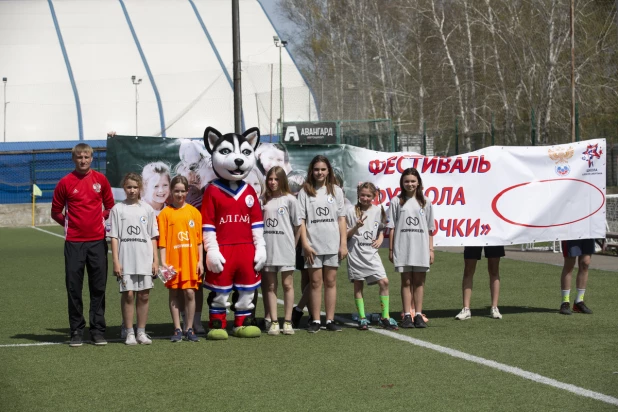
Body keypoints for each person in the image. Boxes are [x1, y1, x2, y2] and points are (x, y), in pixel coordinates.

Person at [51, 143, 115, 347]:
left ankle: (97, 331)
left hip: (97, 242)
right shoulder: (65, 182)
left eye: (86, 157)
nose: (83, 160)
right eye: (79, 157)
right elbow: (56, 212)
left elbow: (110, 206)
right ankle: (76, 330)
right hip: (74, 244)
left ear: (92, 158)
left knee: (98, 287)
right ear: (73, 159)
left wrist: (99, 219)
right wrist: (71, 226)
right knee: (73, 288)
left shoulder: (100, 180)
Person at [298, 155, 347, 333]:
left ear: (328, 171)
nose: (320, 172)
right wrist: (305, 244)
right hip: (312, 246)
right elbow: (301, 220)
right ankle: (316, 320)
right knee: (315, 282)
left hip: (333, 245)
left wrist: (343, 244)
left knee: (331, 281)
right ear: (312, 171)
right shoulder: (305, 191)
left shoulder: (336, 191)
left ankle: (330, 320)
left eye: (323, 169)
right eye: (317, 169)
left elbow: (341, 219)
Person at [109, 173, 159, 345]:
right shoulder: (118, 209)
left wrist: (155, 260)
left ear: (140, 189)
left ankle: (141, 332)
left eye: (135, 187)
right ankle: (129, 331)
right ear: (124, 188)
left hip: (144, 259)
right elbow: (114, 237)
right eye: (129, 187)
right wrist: (116, 261)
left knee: (144, 295)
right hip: (126, 260)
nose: (132, 190)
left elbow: (153, 236)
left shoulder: (147, 209)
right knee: (128, 294)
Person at [157, 175, 204, 342]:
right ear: (171, 191)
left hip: (191, 261)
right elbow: (162, 242)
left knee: (190, 293)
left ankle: (189, 328)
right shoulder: (164, 214)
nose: (179, 194)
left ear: (187, 191)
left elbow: (199, 241)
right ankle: (177, 328)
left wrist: (200, 262)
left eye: (182, 191)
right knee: (174, 293)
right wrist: (163, 264)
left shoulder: (194, 213)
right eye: (176, 191)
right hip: (172, 261)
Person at [346, 182, 398, 331]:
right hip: (355, 252)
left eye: (369, 195)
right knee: (358, 284)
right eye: (362, 195)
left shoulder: (378, 210)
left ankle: (385, 317)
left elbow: (381, 228)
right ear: (358, 195)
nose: (365, 198)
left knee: (384, 282)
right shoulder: (350, 211)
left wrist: (381, 237)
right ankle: (362, 318)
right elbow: (346, 235)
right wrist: (356, 226)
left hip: (371, 253)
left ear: (374, 196)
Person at [388, 168, 434, 329]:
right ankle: (407, 314)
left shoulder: (426, 202)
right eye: (406, 181)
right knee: (406, 281)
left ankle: (419, 314)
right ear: (402, 183)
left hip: (421, 247)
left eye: (413, 181)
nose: (410, 184)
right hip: (403, 247)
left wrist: (431, 249)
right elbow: (391, 227)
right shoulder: (396, 201)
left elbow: (430, 229)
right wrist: (391, 249)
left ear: (418, 182)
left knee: (419, 282)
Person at [261, 166, 300, 335]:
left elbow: (298, 226)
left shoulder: (290, 199)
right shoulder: (264, 200)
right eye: (270, 179)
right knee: (270, 286)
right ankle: (274, 321)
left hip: (286, 249)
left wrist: (294, 244)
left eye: (276, 179)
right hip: (268, 249)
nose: (273, 182)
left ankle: (288, 321)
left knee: (287, 284)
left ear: (282, 180)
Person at [455, 247, 504, 320]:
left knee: (494, 270)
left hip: (493, 237)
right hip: (473, 237)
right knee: (468, 270)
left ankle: (494, 308)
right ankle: (466, 309)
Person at [559, 239, 595, 315]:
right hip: (571, 231)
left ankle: (579, 301)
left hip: (587, 232)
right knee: (569, 264)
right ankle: (565, 302)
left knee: (585, 263)